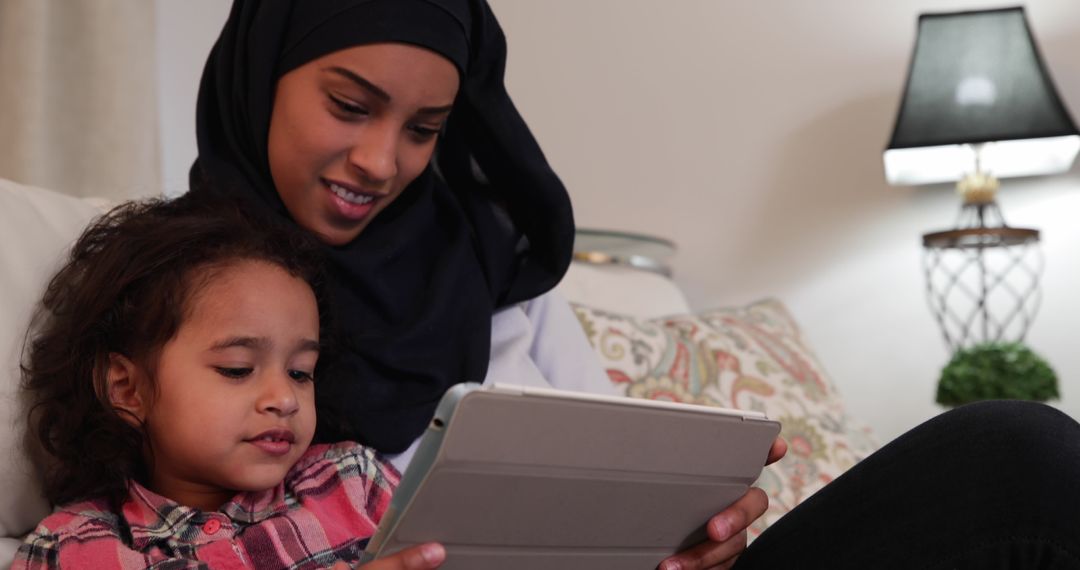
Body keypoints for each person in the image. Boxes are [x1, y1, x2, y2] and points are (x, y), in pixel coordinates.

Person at [187, 1, 1080, 568]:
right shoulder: (181, 296)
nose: (382, 162)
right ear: (261, 76)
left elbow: (616, 463)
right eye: (349, 107)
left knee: (1013, 449)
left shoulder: (494, 259)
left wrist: (693, 534)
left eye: (425, 128)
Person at [14, 197, 446, 569]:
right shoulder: (72, 548)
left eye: (300, 372)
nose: (285, 398)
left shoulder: (353, 482)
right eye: (237, 369)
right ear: (127, 389)